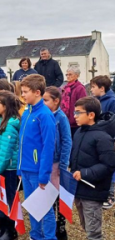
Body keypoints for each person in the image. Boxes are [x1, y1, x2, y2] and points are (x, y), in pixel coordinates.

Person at [71, 96, 115, 240]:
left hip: (93, 191)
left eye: (78, 112)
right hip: (79, 189)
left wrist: (84, 173)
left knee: (93, 231)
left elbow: (108, 165)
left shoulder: (103, 137)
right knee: (85, 225)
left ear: (91, 115)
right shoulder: (79, 132)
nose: (74, 116)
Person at [18, 74, 57, 240]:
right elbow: (23, 143)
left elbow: (48, 147)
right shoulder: (27, 112)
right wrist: (20, 167)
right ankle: (36, 235)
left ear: (37, 92)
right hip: (26, 169)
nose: (23, 95)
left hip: (37, 171)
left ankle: (49, 237)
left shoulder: (45, 115)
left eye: (26, 91)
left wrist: (43, 174)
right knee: (32, 206)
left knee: (45, 208)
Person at [0, 91, 21, 240]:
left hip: (9, 169)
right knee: (0, 199)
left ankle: (11, 230)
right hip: (1, 168)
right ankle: (3, 229)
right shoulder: (2, 121)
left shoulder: (12, 124)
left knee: (9, 199)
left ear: (6, 106)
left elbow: (6, 151)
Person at [44, 86, 72, 240]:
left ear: (56, 101)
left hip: (56, 163)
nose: (43, 103)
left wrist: (63, 164)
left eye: (46, 100)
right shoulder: (44, 115)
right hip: (46, 163)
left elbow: (67, 141)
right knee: (48, 194)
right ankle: (49, 225)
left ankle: (60, 227)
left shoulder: (61, 117)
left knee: (58, 195)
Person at [90, 75, 115, 209]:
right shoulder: (96, 100)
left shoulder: (112, 101)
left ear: (102, 88)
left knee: (109, 165)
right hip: (98, 137)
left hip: (109, 138)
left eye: (93, 87)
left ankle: (110, 195)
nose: (91, 89)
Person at [60, 66, 87, 137]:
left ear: (77, 76)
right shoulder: (65, 88)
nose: (68, 76)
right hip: (66, 119)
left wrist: (77, 117)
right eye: (67, 74)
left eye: (70, 74)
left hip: (75, 121)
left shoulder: (80, 88)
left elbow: (82, 104)